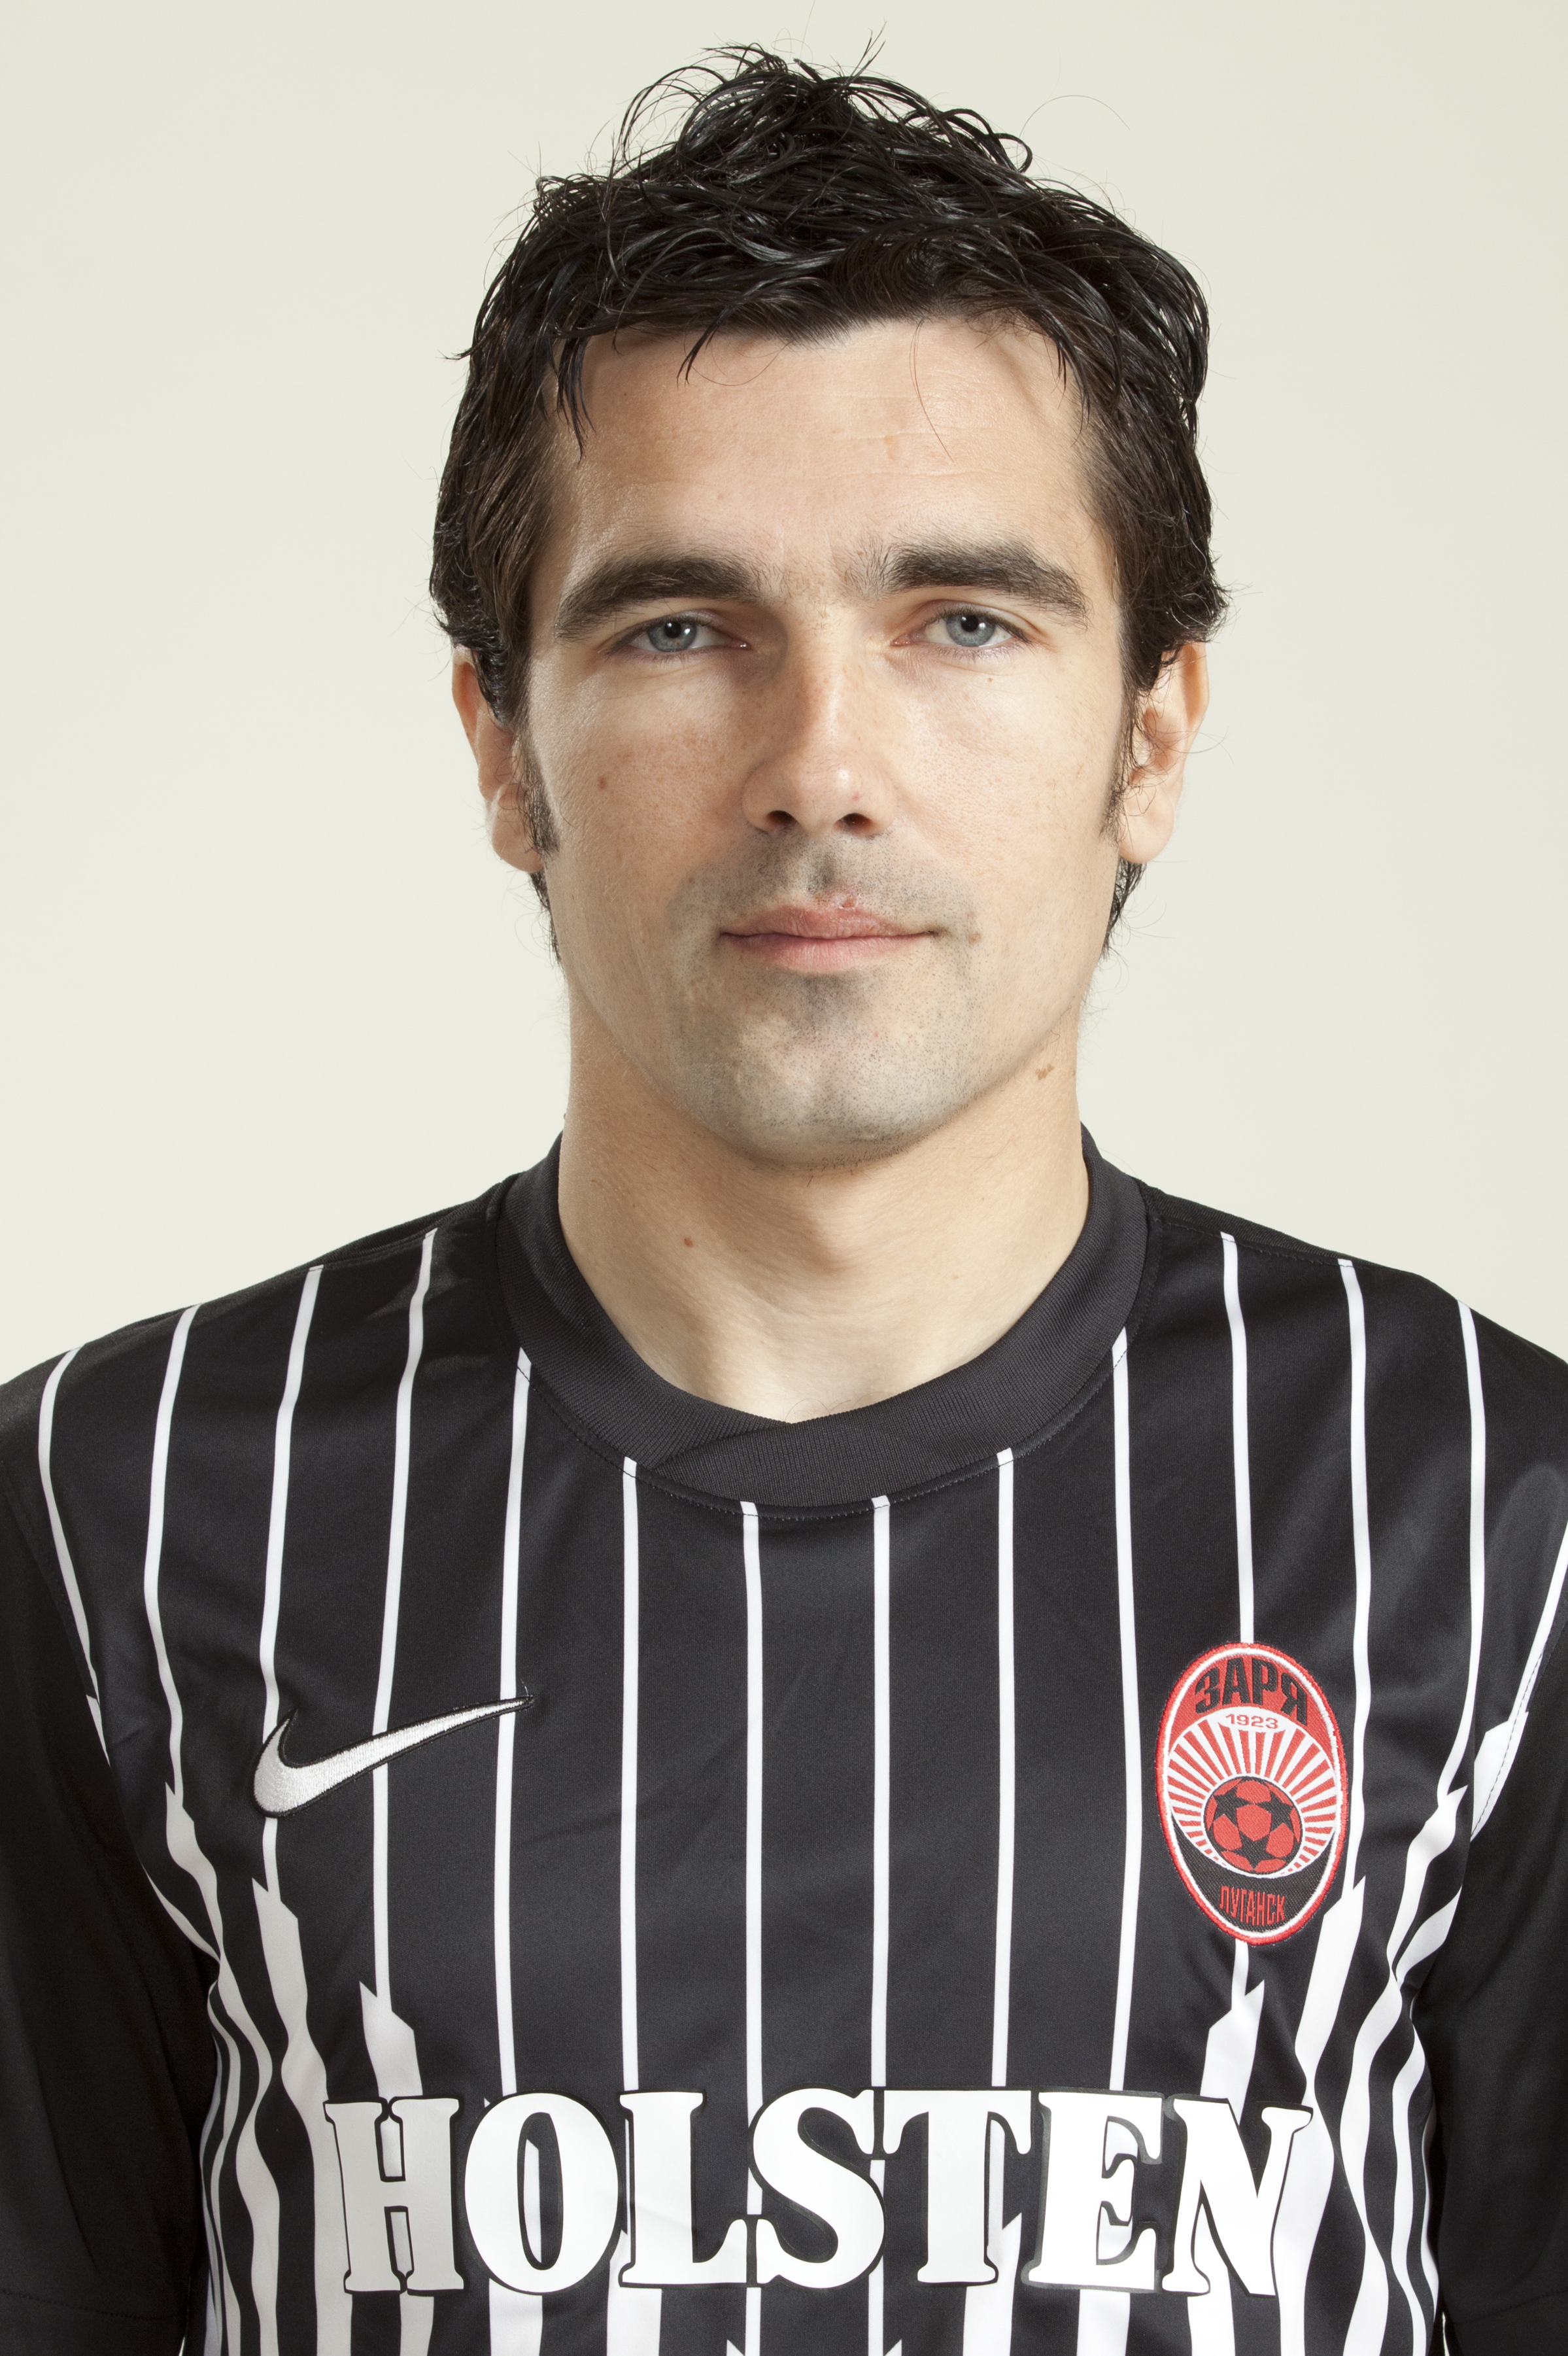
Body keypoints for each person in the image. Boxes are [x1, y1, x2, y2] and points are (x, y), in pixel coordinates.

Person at [0, 49, 1562, 2356]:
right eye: (678, 626)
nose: (823, 762)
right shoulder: (105, 1516)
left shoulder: (1493, 1515)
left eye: (965, 621)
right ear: (502, 748)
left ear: (1151, 733)